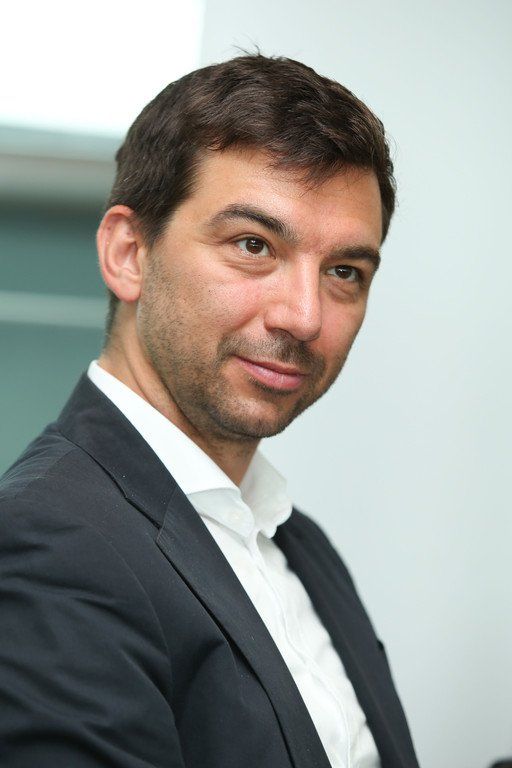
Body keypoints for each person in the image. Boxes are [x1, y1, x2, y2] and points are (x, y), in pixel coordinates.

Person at [0, 54, 420, 768]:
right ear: (129, 253)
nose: (305, 316)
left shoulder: (298, 545)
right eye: (254, 246)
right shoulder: (46, 546)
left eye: (344, 271)